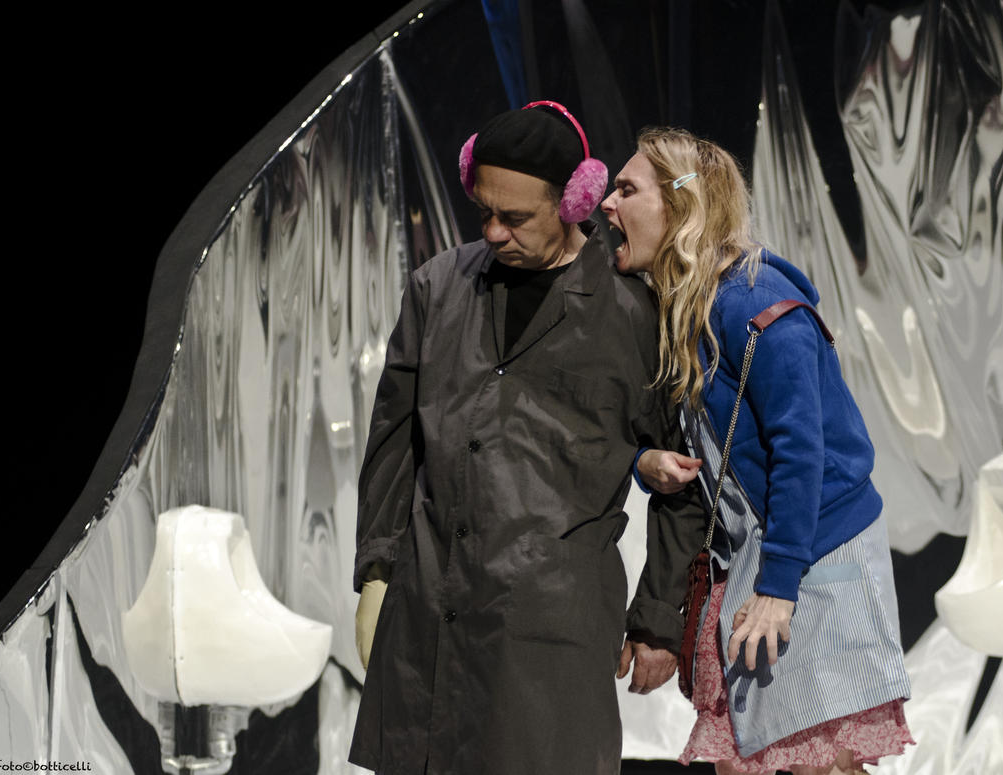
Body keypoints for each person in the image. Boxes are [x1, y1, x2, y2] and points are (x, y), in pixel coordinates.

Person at [349, 103, 705, 775]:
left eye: (514, 217)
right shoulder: (437, 288)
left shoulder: (631, 314)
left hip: (549, 636)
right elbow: (394, 444)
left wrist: (658, 616)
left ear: (574, 202)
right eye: (484, 211)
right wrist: (376, 570)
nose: (493, 231)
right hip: (430, 616)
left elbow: (684, 479)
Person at [606, 127, 913, 775]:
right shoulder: (688, 317)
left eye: (627, 189)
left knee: (816, 761)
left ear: (680, 206)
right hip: (759, 559)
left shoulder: (757, 304)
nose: (607, 203)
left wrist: (778, 586)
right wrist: (645, 464)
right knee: (748, 755)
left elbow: (804, 452)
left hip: (813, 554)